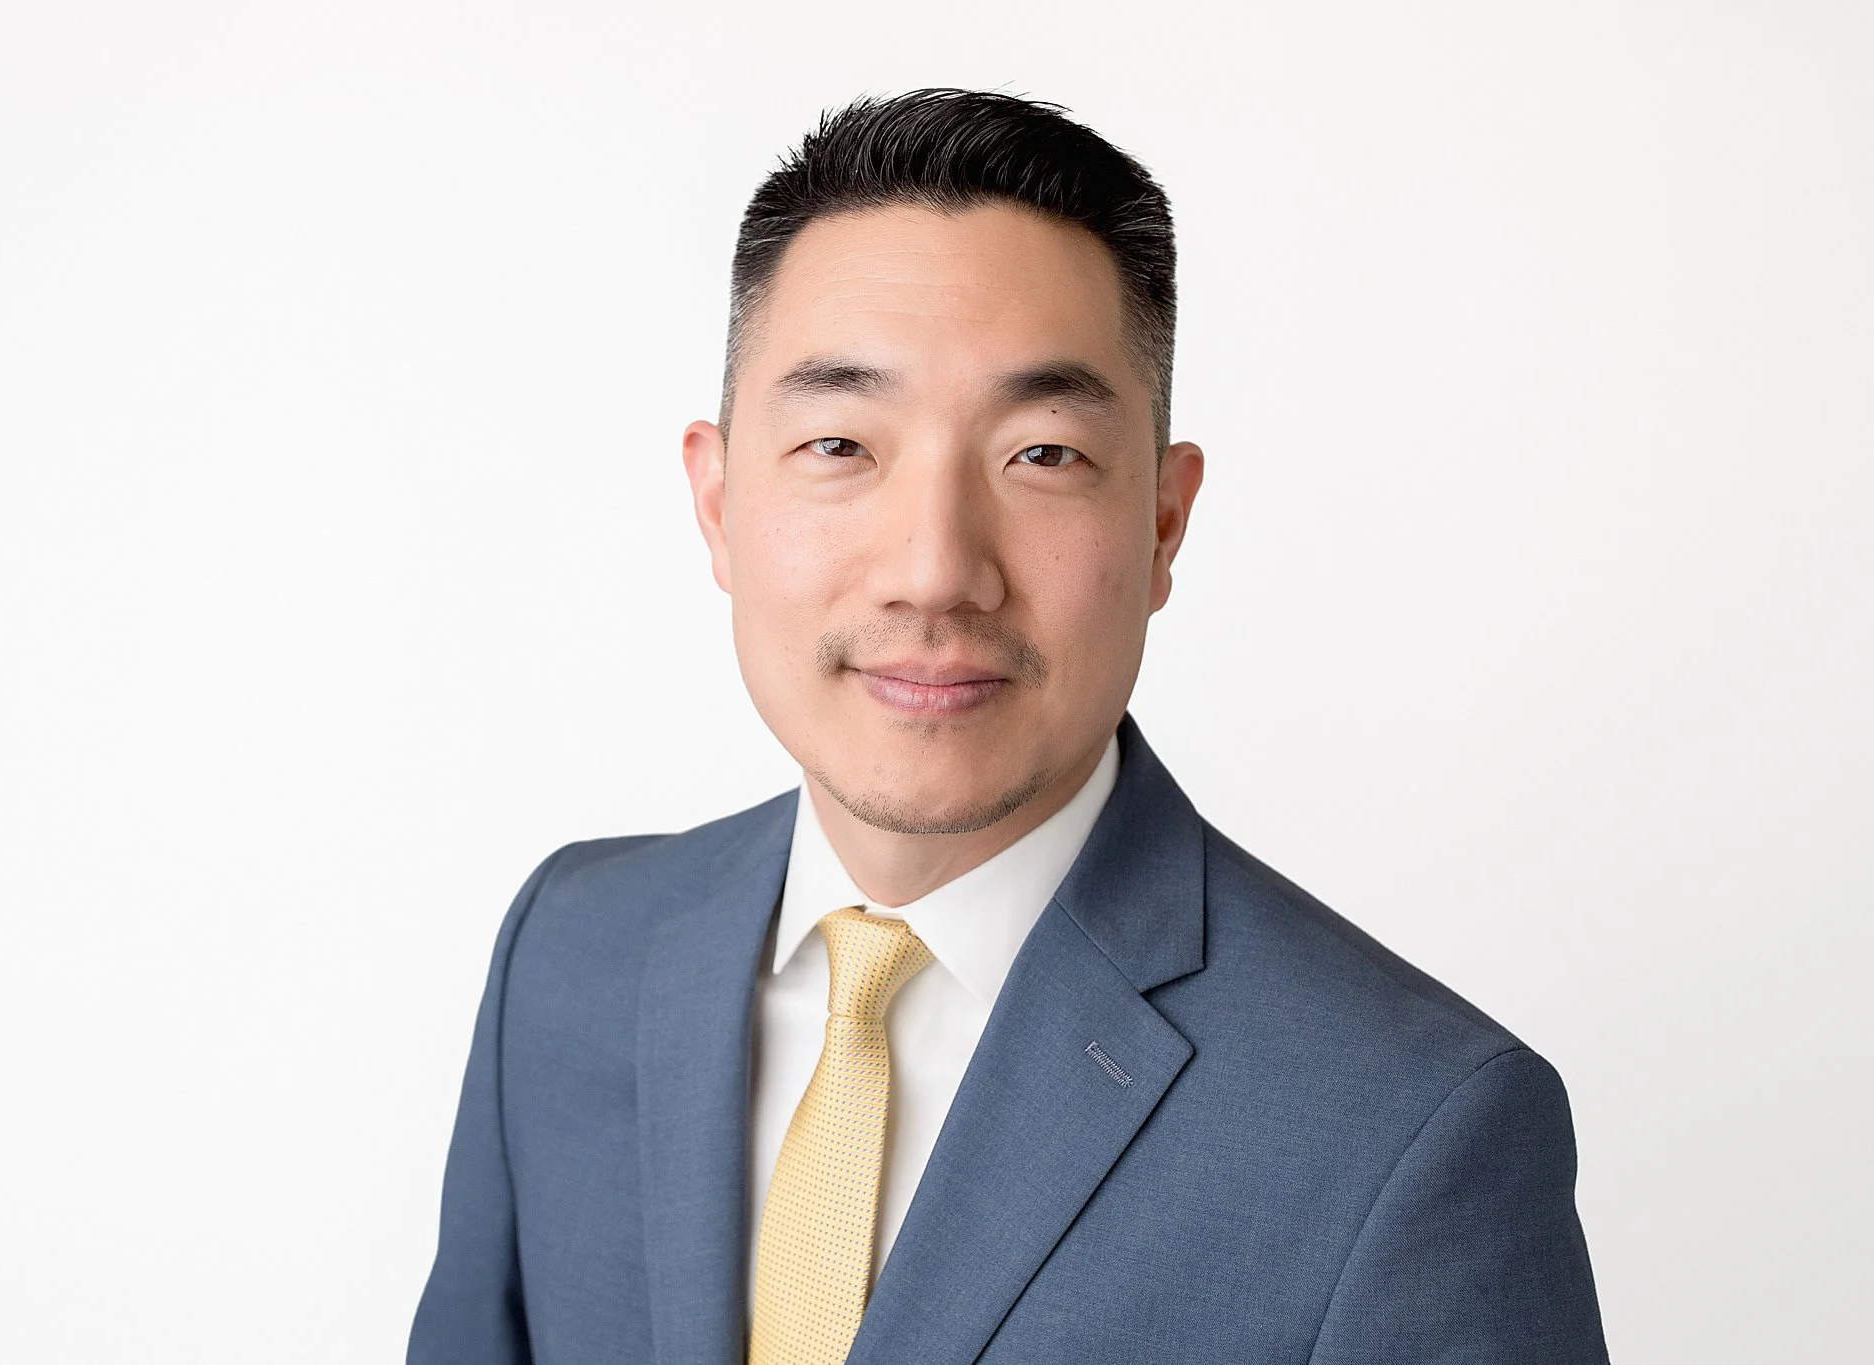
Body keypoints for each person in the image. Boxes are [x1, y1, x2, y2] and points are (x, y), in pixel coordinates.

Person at [408, 89, 1608, 1364]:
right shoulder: (572, 951)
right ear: (716, 503)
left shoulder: (1411, 1132)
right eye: (838, 443)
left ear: (1162, 522)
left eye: (1040, 455)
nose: (933, 572)